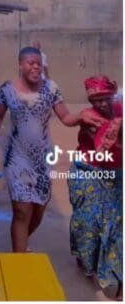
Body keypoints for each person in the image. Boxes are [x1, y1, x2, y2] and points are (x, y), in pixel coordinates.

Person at [0, 46, 100, 253]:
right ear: (21, 65)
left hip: (43, 159)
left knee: (38, 210)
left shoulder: (51, 89)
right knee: (21, 211)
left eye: (38, 63)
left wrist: (81, 117)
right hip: (16, 158)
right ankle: (18, 259)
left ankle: (21, 240)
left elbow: (65, 117)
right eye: (31, 62)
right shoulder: (7, 90)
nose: (36, 66)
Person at [68, 75, 122, 298]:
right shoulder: (91, 117)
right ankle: (86, 260)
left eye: (104, 98)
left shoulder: (120, 109)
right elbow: (103, 145)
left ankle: (112, 276)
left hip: (115, 174)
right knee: (87, 222)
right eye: (95, 100)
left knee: (114, 224)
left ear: (112, 96)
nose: (100, 103)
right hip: (87, 171)